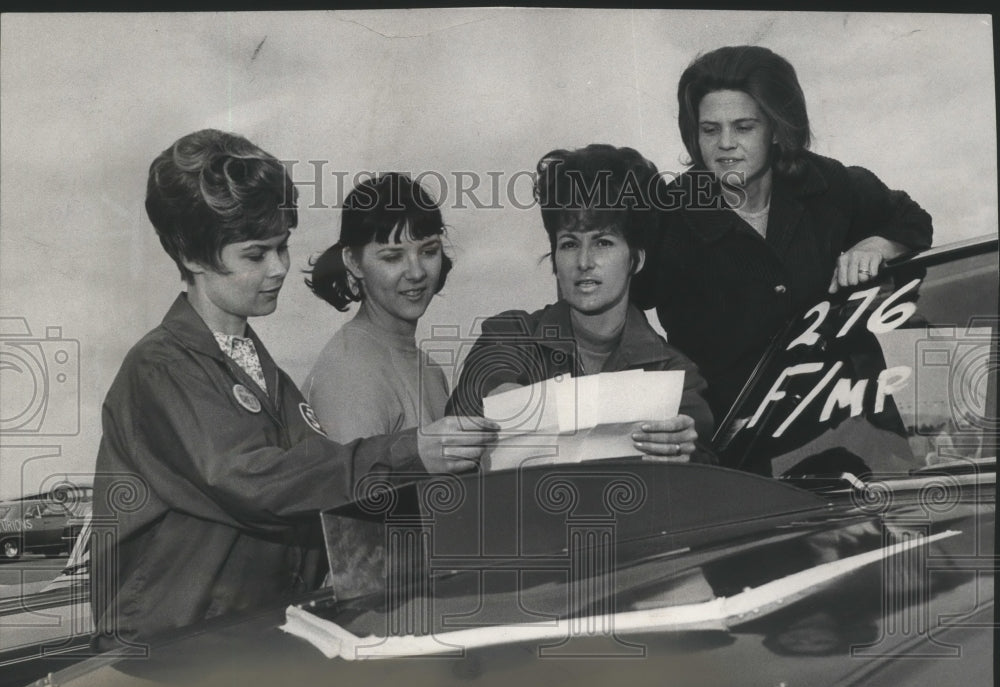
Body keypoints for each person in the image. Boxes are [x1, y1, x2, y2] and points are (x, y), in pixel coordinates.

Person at [91, 129, 496, 650]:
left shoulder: (261, 371)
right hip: (168, 653)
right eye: (256, 255)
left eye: (282, 246)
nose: (279, 267)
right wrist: (411, 450)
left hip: (238, 642)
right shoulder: (160, 369)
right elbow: (259, 485)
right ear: (192, 256)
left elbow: (324, 493)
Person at [632, 45, 933, 422]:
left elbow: (912, 219)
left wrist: (876, 245)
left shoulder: (824, 183)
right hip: (737, 441)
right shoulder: (666, 214)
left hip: (843, 420)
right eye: (710, 129)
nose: (725, 143)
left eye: (744, 127)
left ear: (777, 128)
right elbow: (615, 306)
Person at [448, 144, 714, 462]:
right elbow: (461, 422)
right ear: (555, 259)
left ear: (636, 259)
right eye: (570, 243)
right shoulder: (510, 335)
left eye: (603, 242)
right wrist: (497, 399)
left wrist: (687, 450)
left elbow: (705, 471)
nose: (584, 261)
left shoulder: (674, 374)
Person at [303, 174, 450, 442]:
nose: (416, 272)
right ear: (354, 263)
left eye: (429, 251)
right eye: (393, 257)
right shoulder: (348, 374)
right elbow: (349, 482)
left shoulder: (431, 370)